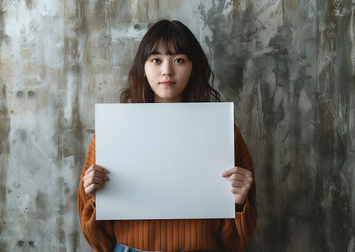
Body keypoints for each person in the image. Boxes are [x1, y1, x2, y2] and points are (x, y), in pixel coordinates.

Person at [78, 20, 256, 252]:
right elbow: (96, 237)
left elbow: (236, 241)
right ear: (143, 67)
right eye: (156, 60)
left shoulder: (222, 131)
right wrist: (95, 197)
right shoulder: (112, 131)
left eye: (179, 60)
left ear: (193, 68)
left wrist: (240, 202)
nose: (167, 70)